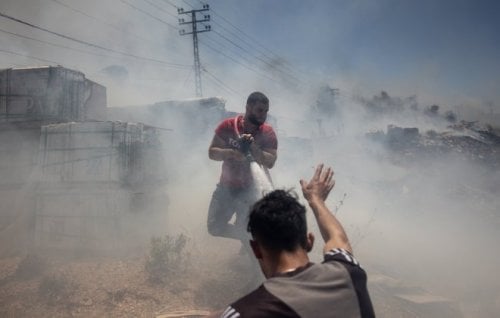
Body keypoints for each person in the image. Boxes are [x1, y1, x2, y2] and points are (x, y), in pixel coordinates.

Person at [213, 164, 375, 318]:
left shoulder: (243, 312)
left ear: (256, 250)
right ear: (309, 241)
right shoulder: (348, 272)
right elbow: (337, 238)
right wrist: (316, 199)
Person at [207, 91, 278, 243]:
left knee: (248, 231)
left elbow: (271, 161)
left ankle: (253, 255)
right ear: (248, 107)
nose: (263, 115)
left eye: (266, 111)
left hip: (251, 191)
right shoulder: (227, 126)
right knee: (214, 227)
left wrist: (254, 147)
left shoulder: (268, 132)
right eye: (260, 110)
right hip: (226, 188)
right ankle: (250, 237)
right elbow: (212, 152)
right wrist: (233, 154)